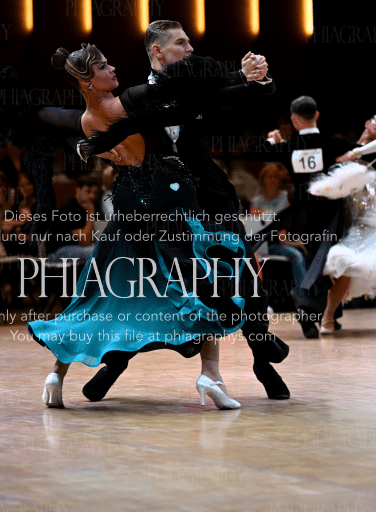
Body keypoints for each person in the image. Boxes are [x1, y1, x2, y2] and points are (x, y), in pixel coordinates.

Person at [22, 44, 256, 410]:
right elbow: (182, 89)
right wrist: (239, 76)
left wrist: (82, 146)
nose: (113, 68)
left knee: (99, 296)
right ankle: (210, 375)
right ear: (87, 82)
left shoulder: (84, 120)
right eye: (103, 66)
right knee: (202, 280)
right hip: (168, 197)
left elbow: (41, 117)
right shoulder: (125, 102)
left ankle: (56, 375)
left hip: (129, 204)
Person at [83, 20, 290, 403]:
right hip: (157, 197)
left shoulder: (200, 86)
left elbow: (246, 92)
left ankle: (262, 357)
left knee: (243, 266)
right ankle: (115, 363)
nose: (191, 49)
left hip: (208, 192)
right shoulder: (134, 98)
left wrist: (260, 78)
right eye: (181, 43)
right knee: (140, 282)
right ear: (157, 51)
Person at [245, 96, 373, 337]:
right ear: (317, 115)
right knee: (324, 262)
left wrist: (272, 140)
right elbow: (363, 154)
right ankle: (307, 307)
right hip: (331, 215)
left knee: (322, 261)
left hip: (303, 216)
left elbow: (251, 151)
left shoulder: (290, 146)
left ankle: (327, 314)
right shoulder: (332, 143)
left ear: (294, 121)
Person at [318, 129, 376, 332]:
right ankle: (328, 315)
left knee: (350, 265)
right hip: (346, 222)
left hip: (369, 223)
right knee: (343, 266)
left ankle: (328, 317)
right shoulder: (344, 159)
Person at [251, 163, 308, 292]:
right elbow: (253, 227)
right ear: (262, 180)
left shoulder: (285, 197)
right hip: (260, 244)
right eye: (269, 177)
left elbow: (283, 234)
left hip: (278, 243)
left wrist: (298, 244)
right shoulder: (256, 201)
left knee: (298, 255)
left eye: (276, 177)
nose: (273, 180)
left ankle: (302, 294)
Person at [46, 176, 100, 264]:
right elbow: (85, 241)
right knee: (98, 252)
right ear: (78, 190)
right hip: (58, 251)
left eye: (95, 193)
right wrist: (90, 213)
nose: (92, 196)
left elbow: (91, 237)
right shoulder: (69, 208)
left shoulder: (92, 205)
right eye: (88, 191)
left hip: (78, 248)